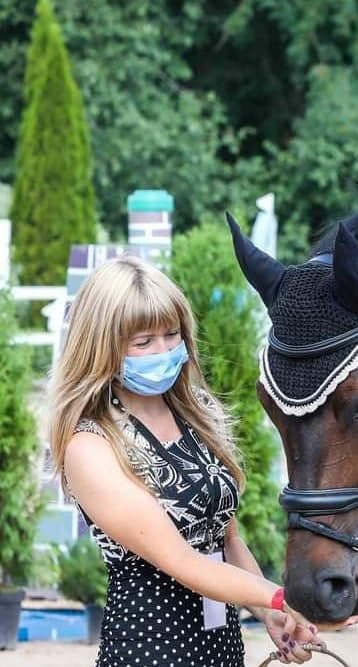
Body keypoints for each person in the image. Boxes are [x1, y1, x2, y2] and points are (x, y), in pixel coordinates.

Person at [48, 256, 319, 666]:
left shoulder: (197, 415)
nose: (163, 350)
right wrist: (282, 597)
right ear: (102, 347)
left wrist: (272, 614)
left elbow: (225, 539)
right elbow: (181, 560)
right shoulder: (91, 445)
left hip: (222, 647)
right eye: (143, 342)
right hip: (150, 650)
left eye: (171, 334)